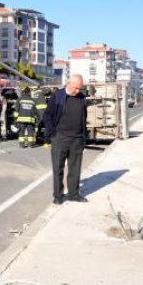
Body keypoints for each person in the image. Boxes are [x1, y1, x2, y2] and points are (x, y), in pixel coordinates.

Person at [44, 74, 88, 205]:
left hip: (77, 139)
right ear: (69, 84)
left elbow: (83, 117)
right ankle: (58, 195)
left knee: (75, 169)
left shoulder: (81, 98)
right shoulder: (58, 96)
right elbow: (48, 116)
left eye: (80, 88)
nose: (78, 91)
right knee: (58, 168)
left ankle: (73, 194)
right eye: (76, 88)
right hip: (60, 138)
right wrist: (51, 135)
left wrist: (83, 136)